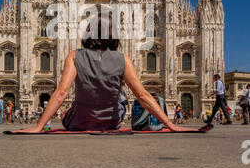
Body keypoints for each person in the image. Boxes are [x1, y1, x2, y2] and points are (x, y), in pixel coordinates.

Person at [13, 13, 197, 134]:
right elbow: (142, 95)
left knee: (73, 108)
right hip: (111, 123)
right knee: (122, 95)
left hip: (78, 123)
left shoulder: (74, 55)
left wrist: (38, 127)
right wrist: (170, 124)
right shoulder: (123, 59)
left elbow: (61, 94)